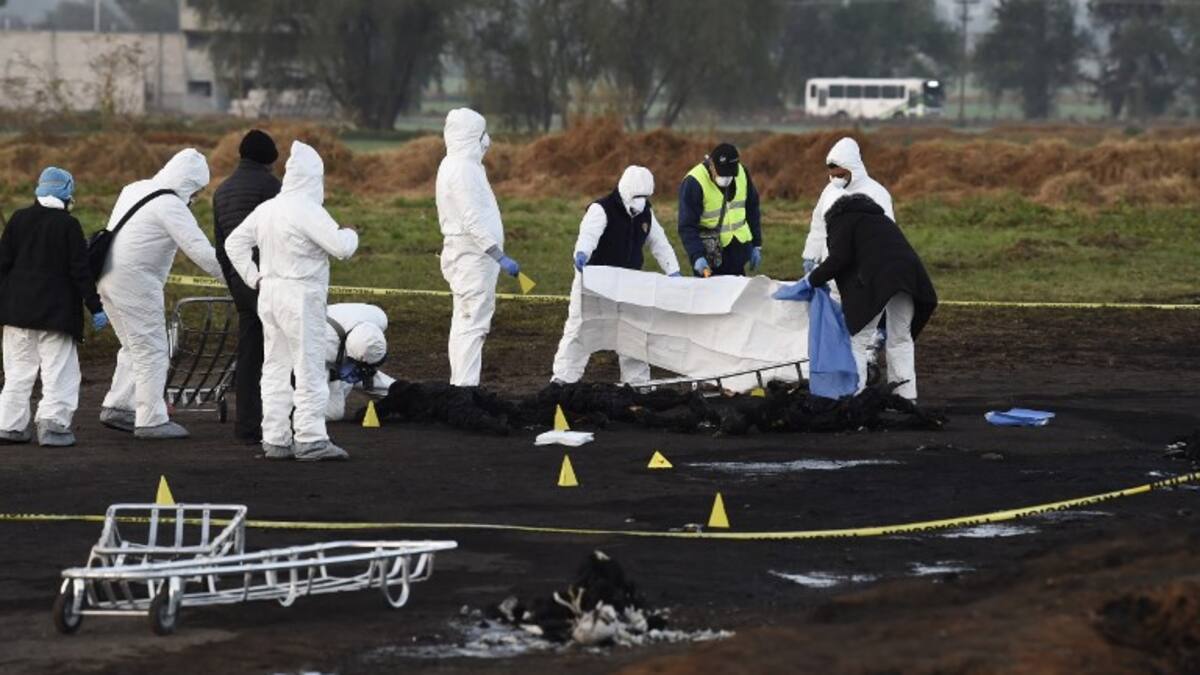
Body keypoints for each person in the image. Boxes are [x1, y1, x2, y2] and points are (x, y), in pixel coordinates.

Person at [225, 141, 358, 461]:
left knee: (275, 367)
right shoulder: (308, 209)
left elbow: (233, 243)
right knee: (309, 366)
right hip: (301, 295)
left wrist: (254, 277)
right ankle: (311, 438)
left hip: (269, 294)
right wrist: (351, 233)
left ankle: (275, 438)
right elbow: (341, 248)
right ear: (315, 177)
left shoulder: (268, 208)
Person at [98, 149, 225, 439]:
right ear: (190, 183)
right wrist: (241, 278)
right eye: (197, 190)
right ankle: (151, 420)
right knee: (153, 350)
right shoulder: (170, 205)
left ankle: (119, 405)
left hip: (106, 276)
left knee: (133, 346)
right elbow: (201, 252)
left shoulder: (134, 189)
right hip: (135, 282)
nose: (196, 197)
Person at [0, 167, 108, 446]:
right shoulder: (68, 225)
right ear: (67, 192)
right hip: (56, 315)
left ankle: (9, 426)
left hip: (16, 314)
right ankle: (53, 426)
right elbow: (81, 272)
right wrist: (95, 307)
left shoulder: (18, 218)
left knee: (17, 373)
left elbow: (3, 266)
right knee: (59, 373)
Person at [798, 193, 937, 403]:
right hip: (910, 279)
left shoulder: (842, 220)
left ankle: (855, 398)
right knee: (901, 338)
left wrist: (811, 280)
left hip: (880, 281)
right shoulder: (881, 219)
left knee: (857, 340)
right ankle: (905, 397)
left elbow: (839, 258)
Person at [551, 165, 681, 385]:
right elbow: (588, 235)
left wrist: (673, 270)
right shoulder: (601, 209)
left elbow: (660, 244)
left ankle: (637, 382)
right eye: (638, 197)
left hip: (629, 283)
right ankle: (563, 378)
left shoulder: (646, 214)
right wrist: (582, 253)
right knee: (581, 328)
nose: (641, 201)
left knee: (634, 331)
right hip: (595, 282)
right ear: (626, 191)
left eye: (645, 197)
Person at [436, 108, 520, 386]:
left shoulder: (460, 165)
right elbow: (471, 219)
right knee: (472, 324)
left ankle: (461, 385)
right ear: (472, 136)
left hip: (471, 256)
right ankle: (464, 388)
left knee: (465, 320)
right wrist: (497, 254)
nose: (487, 139)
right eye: (483, 133)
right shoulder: (462, 170)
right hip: (472, 257)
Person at [213, 129, 282, 444]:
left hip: (241, 282)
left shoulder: (222, 191)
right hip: (270, 280)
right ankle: (285, 422)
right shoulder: (272, 187)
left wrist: (234, 280)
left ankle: (247, 427)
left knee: (249, 356)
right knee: (283, 352)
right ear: (269, 158)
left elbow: (221, 248)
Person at [802, 137, 894, 273]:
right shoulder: (830, 191)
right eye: (832, 176)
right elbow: (819, 224)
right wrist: (811, 255)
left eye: (840, 175)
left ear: (853, 169)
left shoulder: (877, 193)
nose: (836, 180)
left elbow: (887, 235)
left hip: (862, 271)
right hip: (830, 270)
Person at [677, 143, 763, 277]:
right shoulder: (694, 182)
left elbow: (752, 209)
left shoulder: (742, 173)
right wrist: (697, 255)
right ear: (711, 165)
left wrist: (756, 244)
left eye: (730, 174)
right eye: (722, 173)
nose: (726, 178)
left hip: (738, 255)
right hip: (709, 259)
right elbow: (687, 225)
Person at [323, 303, 394, 422]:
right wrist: (333, 375)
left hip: (337, 339)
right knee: (333, 412)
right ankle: (291, 414)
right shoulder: (323, 345)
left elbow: (367, 353)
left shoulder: (379, 319)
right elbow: (307, 377)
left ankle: (406, 395)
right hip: (298, 358)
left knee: (362, 374)